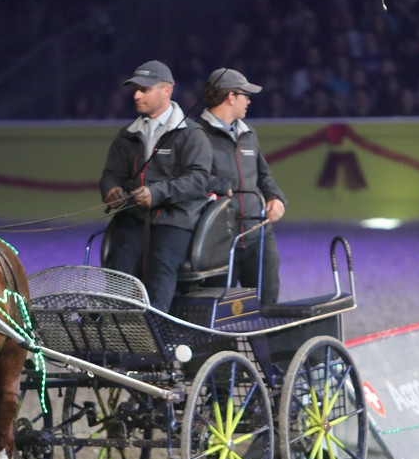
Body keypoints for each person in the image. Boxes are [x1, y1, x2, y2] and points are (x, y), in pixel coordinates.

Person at [100, 60, 213, 312]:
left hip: (174, 219)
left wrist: (157, 193)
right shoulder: (127, 134)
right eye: (136, 89)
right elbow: (111, 173)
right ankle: (115, 329)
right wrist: (110, 189)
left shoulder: (191, 134)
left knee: (159, 272)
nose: (137, 95)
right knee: (117, 274)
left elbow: (198, 179)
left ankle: (156, 333)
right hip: (132, 218)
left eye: (144, 89)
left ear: (167, 90)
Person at [196, 67, 287, 305]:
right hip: (219, 240)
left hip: (258, 233)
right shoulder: (196, 135)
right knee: (217, 311)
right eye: (245, 94)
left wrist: (276, 198)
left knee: (267, 305)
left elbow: (264, 175)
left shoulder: (248, 133)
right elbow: (190, 179)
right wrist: (216, 185)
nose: (249, 100)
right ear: (230, 97)